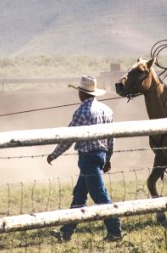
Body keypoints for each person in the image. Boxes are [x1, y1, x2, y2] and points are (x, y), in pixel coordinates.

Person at [47, 75, 122, 242]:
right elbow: (112, 138)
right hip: (100, 156)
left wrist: (54, 154)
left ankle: (115, 230)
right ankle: (66, 231)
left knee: (99, 195)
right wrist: (108, 158)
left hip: (87, 158)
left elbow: (69, 137)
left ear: (81, 93)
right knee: (79, 195)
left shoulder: (81, 111)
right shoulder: (106, 110)